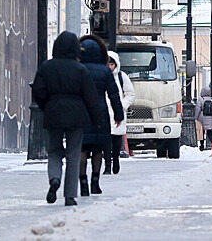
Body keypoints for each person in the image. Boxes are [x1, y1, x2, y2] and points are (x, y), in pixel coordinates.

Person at [31, 31, 105, 206]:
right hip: (76, 115)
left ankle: (54, 179)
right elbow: (91, 98)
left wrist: (47, 106)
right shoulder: (81, 70)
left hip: (54, 113)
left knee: (54, 151)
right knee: (73, 154)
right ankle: (70, 195)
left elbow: (38, 91)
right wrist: (97, 120)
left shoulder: (46, 67)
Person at [78, 35, 124, 197]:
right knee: (98, 149)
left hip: (81, 112)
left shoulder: (78, 69)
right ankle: (95, 182)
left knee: (82, 149)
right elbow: (114, 95)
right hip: (100, 112)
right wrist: (118, 114)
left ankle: (82, 182)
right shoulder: (105, 71)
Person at [104, 51, 135, 175]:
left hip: (118, 113)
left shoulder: (122, 77)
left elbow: (130, 94)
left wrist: (122, 106)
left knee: (116, 140)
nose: (110, 67)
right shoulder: (102, 76)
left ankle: (115, 160)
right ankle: (107, 165)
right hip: (105, 113)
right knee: (105, 141)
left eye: (112, 64)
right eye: (107, 64)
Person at [195, 86, 212, 151]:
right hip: (210, 117)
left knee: (201, 133)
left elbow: (198, 109)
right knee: (209, 132)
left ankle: (202, 145)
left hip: (201, 118)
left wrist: (196, 117)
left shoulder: (201, 99)